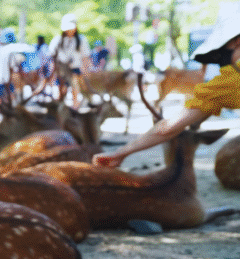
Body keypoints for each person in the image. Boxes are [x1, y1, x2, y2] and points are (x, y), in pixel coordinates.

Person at [93, 13, 240, 168]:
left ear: (237, 41)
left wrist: (120, 153)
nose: (221, 58)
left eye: (222, 48)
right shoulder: (226, 82)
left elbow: (167, 128)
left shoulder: (229, 80)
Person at [51, 14, 89, 107]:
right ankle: (61, 109)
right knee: (60, 91)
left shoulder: (81, 40)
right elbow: (52, 57)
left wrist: (86, 70)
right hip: (61, 70)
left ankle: (75, 109)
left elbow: (85, 57)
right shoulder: (58, 40)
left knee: (75, 90)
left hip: (75, 69)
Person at [0, 29, 20, 118]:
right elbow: (12, 66)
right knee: (10, 95)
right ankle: (11, 112)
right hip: (6, 78)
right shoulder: (10, 50)